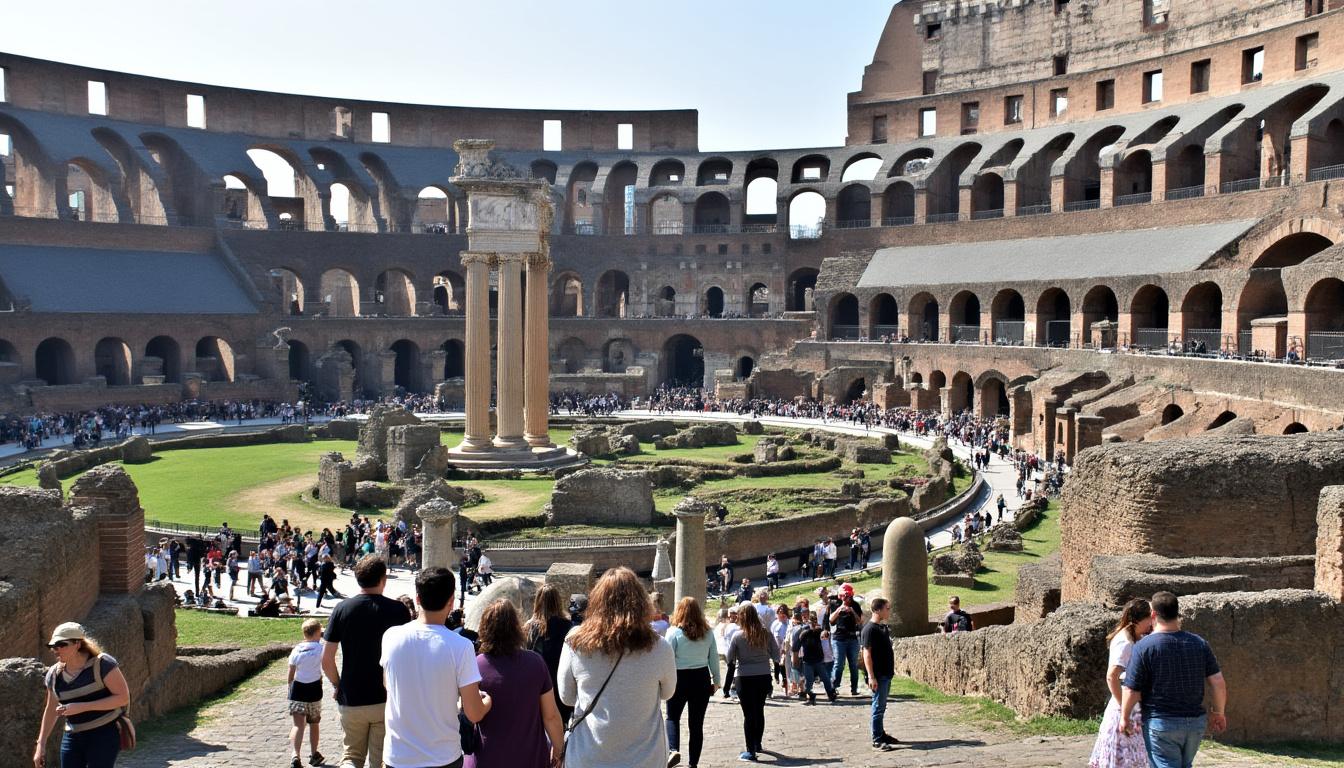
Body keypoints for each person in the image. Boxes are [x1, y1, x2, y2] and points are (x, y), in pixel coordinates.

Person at [559, 567, 677, 768]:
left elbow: (567, 697)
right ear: (641, 603)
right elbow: (668, 693)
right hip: (645, 759)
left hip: (588, 757)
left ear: (596, 601)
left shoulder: (574, 642)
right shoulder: (660, 647)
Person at [380, 567, 492, 768]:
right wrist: (487, 702)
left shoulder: (390, 637)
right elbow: (474, 713)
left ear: (417, 599)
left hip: (398, 756)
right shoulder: (461, 646)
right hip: (442, 757)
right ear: (451, 601)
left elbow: (389, 685)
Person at [321, 556, 412, 768]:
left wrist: (337, 684)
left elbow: (326, 659)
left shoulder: (342, 609)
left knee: (351, 756)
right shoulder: (398, 610)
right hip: (385, 696)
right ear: (384, 578)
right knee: (381, 759)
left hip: (351, 695)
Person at [1120, 592, 1227, 768]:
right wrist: (1219, 712)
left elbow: (1131, 689)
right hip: (1195, 723)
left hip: (1161, 722)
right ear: (1177, 613)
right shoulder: (1199, 643)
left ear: (1153, 614)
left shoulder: (1144, 647)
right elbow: (1218, 682)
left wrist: (1124, 717)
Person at [466, 599, 564, 768]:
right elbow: (550, 715)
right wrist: (558, 749)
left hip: (486, 758)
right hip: (530, 758)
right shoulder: (535, 663)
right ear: (516, 627)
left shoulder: (475, 665)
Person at [34, 622, 131, 768]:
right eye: (53, 646)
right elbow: (50, 710)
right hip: (73, 735)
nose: (56, 650)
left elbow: (122, 698)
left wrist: (82, 707)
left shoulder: (102, 664)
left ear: (77, 644)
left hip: (104, 732)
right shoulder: (54, 675)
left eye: (62, 644)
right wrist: (40, 745)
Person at [1088, 599, 1153, 768]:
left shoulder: (1136, 637)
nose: (1152, 621)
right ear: (1139, 619)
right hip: (1124, 708)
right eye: (1150, 618)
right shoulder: (1124, 641)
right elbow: (1112, 676)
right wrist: (1123, 704)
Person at [664, 597, 720, 768]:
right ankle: (693, 763)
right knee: (696, 724)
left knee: (673, 717)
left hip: (679, 678)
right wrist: (716, 681)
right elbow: (714, 659)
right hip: (701, 678)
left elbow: (667, 660)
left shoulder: (673, 633)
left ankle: (673, 750)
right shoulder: (708, 633)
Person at [724, 601, 780, 762]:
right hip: (763, 675)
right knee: (759, 710)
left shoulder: (738, 635)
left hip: (744, 677)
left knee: (748, 714)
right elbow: (776, 654)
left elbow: (730, 658)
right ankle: (758, 743)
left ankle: (750, 751)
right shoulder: (765, 633)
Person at [524, 584, 574, 724]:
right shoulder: (567, 626)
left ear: (538, 602)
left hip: (536, 684)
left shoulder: (528, 627)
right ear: (558, 601)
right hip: (559, 684)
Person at [861, 597, 899, 752]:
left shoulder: (882, 628)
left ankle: (881, 733)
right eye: (887, 608)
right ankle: (877, 739)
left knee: (882, 706)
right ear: (877, 610)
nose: (889, 611)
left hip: (886, 673)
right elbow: (866, 654)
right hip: (878, 674)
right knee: (877, 706)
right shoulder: (869, 629)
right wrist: (871, 676)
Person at [287, 618, 326, 768]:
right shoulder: (320, 649)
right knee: (314, 723)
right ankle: (314, 753)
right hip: (314, 689)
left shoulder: (296, 649)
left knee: (298, 725)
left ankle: (295, 755)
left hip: (298, 689)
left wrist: (290, 686)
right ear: (317, 633)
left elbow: (291, 671)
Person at [828, 583, 864, 696]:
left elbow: (859, 621)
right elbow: (831, 620)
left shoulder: (855, 605)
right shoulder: (835, 604)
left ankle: (854, 688)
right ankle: (834, 687)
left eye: (847, 596)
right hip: (838, 638)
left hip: (852, 637)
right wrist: (840, 609)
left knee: (853, 664)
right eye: (843, 595)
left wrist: (852, 611)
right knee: (839, 663)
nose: (845, 598)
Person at [796, 610, 836, 705]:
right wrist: (809, 629)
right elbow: (799, 640)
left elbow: (825, 634)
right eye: (811, 620)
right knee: (809, 680)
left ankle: (830, 694)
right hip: (808, 660)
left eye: (814, 620)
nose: (813, 622)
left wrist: (823, 631)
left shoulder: (818, 630)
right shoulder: (804, 631)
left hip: (818, 659)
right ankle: (810, 695)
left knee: (825, 678)